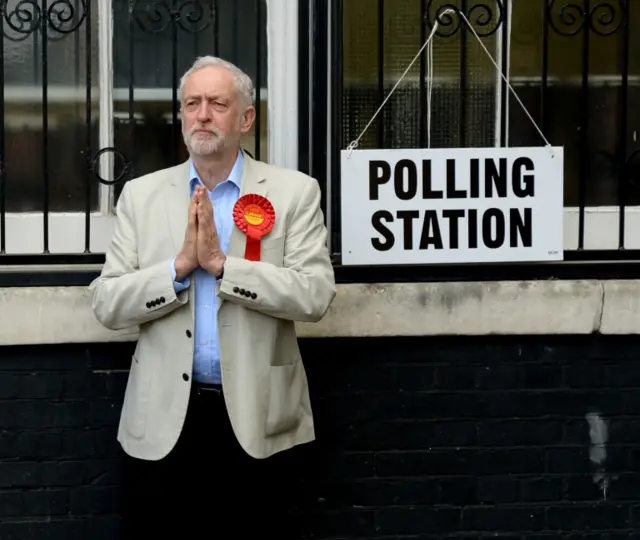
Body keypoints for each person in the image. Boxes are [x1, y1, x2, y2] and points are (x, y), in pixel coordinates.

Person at [89, 55, 336, 538]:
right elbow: (106, 303)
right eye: (192, 103)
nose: (202, 114)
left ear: (246, 118)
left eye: (217, 103)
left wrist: (225, 267)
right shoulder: (141, 196)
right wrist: (178, 269)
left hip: (258, 417)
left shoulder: (294, 193)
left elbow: (315, 295)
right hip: (163, 422)